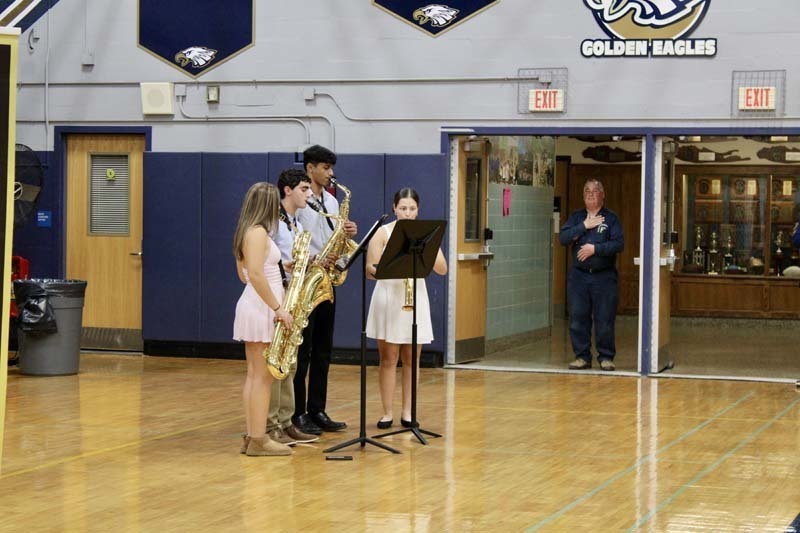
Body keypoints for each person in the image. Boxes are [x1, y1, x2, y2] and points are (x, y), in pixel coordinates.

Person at [365, 188, 447, 428]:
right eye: (403, 208)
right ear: (394, 208)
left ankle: (408, 412)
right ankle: (387, 412)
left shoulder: (426, 233)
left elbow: (442, 269)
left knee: (412, 357)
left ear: (418, 210)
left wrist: (429, 247)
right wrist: (378, 269)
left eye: (412, 209)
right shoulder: (383, 232)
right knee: (388, 357)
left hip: (414, 296)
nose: (407, 213)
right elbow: (370, 269)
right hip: (389, 295)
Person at [292, 145, 358, 434]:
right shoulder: (300, 201)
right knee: (303, 350)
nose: (331, 173)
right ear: (310, 168)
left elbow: (335, 238)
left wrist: (346, 234)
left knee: (323, 349)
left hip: (327, 280)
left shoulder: (332, 203)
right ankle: (297, 412)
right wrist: (313, 259)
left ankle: (317, 409)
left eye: (331, 168)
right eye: (326, 168)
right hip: (307, 278)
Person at [232, 182, 294, 456]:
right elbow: (254, 275)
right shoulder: (257, 233)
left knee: (255, 376)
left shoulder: (248, 232)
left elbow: (245, 274)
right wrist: (278, 307)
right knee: (263, 377)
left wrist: (281, 267)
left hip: (255, 305)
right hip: (262, 308)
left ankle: (252, 435)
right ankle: (259, 438)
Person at [265, 168, 320, 446]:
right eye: (304, 189)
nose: (309, 195)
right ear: (287, 190)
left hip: (294, 293)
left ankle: (286, 421)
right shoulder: (273, 222)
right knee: (276, 360)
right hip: (279, 294)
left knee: (291, 361)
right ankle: (270, 422)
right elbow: (264, 259)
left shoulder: (294, 223)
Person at [559, 178, 624, 371]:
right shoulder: (577, 217)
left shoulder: (611, 219)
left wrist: (595, 249)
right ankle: (582, 357)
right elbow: (563, 238)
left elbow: (618, 244)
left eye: (595, 191)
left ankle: (605, 357)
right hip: (579, 277)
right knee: (578, 317)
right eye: (587, 190)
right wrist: (584, 227)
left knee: (604, 319)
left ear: (602, 195)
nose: (590, 193)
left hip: (604, 277)